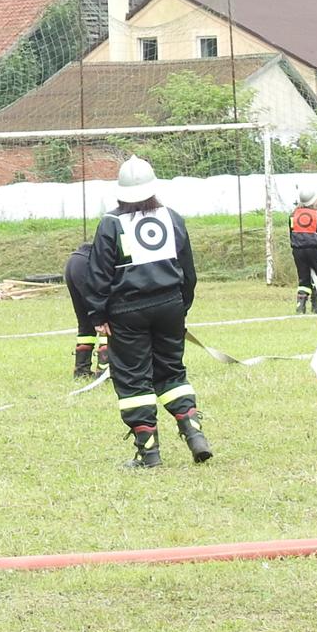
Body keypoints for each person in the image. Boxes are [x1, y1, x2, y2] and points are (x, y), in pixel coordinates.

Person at [81, 156, 211, 468]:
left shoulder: (111, 223)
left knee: (133, 379)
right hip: (170, 305)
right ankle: (193, 432)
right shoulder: (173, 218)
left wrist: (97, 315)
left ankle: (148, 452)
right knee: (171, 372)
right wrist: (181, 307)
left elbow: (98, 273)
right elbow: (188, 271)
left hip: (126, 311)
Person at [65, 243, 108, 380]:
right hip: (88, 263)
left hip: (74, 262)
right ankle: (104, 371)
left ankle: (82, 369)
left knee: (85, 323)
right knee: (107, 318)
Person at [289, 189, 317, 314]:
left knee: (303, 278)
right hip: (315, 249)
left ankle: (300, 305)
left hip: (298, 249)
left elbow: (291, 232)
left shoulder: (293, 214)